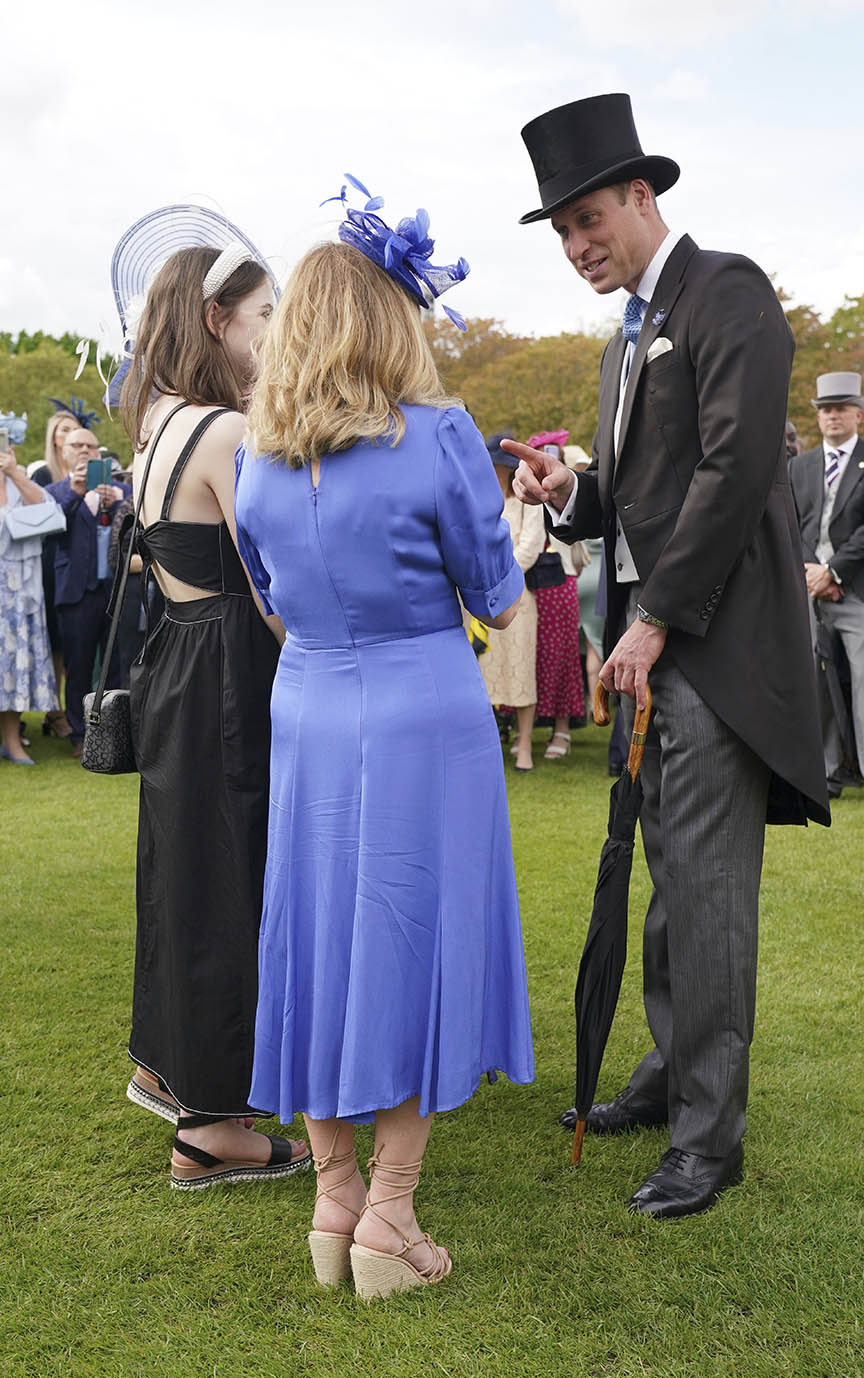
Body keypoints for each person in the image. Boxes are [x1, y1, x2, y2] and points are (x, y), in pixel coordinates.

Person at [507, 92, 829, 1218]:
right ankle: (668, 1069)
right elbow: (638, 489)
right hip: (652, 654)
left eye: (588, 219)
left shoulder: (725, 292)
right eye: (560, 233)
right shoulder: (626, 339)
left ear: (643, 196)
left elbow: (736, 471)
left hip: (712, 653)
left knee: (704, 893)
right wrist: (574, 492)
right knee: (664, 885)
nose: (577, 246)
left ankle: (710, 1135)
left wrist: (652, 621)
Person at [234, 190, 534, 1297]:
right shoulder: (439, 435)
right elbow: (500, 599)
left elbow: (271, 600)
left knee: (316, 940)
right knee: (407, 940)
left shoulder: (260, 463)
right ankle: (390, 1220)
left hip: (308, 705)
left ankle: (334, 1197)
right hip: (420, 711)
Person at [117, 224, 309, 1187]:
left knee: (188, 876)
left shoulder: (156, 425)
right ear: (215, 321)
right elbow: (271, 583)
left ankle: (177, 1074)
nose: (277, 331)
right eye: (266, 314)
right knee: (233, 881)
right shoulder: (226, 431)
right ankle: (215, 1125)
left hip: (181, 662)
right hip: (231, 668)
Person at [789, 373, 864, 815]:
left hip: (860, 592)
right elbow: (790, 525)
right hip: (807, 590)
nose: (833, 415)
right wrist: (811, 574)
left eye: (841, 407)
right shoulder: (798, 466)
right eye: (825, 409)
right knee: (813, 685)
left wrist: (833, 572)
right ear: (817, 417)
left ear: (859, 413)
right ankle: (825, 772)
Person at [44, 428, 128, 757]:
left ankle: (115, 733)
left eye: (91, 446)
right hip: (75, 591)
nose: (85, 451)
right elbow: (49, 532)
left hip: (115, 590)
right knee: (77, 668)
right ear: (63, 452)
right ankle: (79, 735)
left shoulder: (121, 490)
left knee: (118, 665)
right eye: (76, 446)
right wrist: (76, 493)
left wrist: (119, 503)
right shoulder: (53, 492)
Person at [477, 431, 544, 772]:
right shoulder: (480, 500)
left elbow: (531, 545)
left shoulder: (528, 501)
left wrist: (503, 576)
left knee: (520, 669)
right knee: (481, 673)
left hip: (517, 597)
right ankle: (486, 746)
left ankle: (526, 745)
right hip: (479, 600)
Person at [528, 430, 586, 759]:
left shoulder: (569, 496)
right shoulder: (523, 496)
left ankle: (561, 729)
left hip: (561, 583)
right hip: (531, 585)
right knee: (533, 656)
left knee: (562, 656)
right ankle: (527, 723)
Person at [0, 444, 58, 763]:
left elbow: (50, 510)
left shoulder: (20, 481)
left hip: (17, 594)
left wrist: (13, 473)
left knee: (12, 664)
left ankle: (12, 741)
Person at [31, 406, 83, 737]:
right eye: (62, 430)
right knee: (51, 638)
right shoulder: (42, 477)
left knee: (69, 644)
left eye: (73, 429)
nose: (68, 435)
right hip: (49, 562)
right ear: (53, 438)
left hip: (81, 563)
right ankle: (54, 710)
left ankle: (67, 708)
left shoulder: (92, 472)